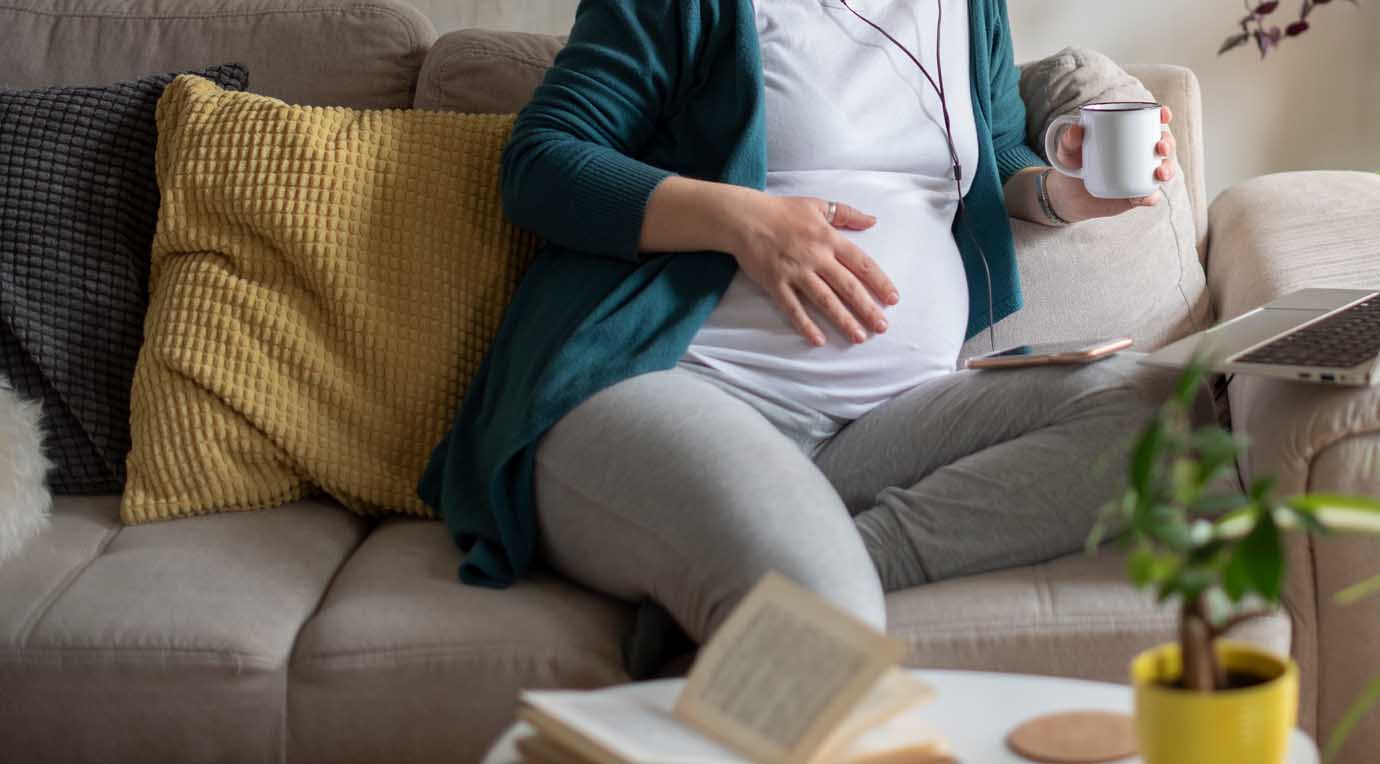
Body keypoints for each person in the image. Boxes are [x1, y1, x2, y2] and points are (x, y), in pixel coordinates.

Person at [418, 0, 1184, 645]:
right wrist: (740, 220)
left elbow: (994, 145)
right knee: (822, 617)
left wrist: (1059, 193)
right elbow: (542, 163)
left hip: (876, 428)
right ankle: (799, 580)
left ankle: (788, 574)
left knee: (1158, 408)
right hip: (672, 385)